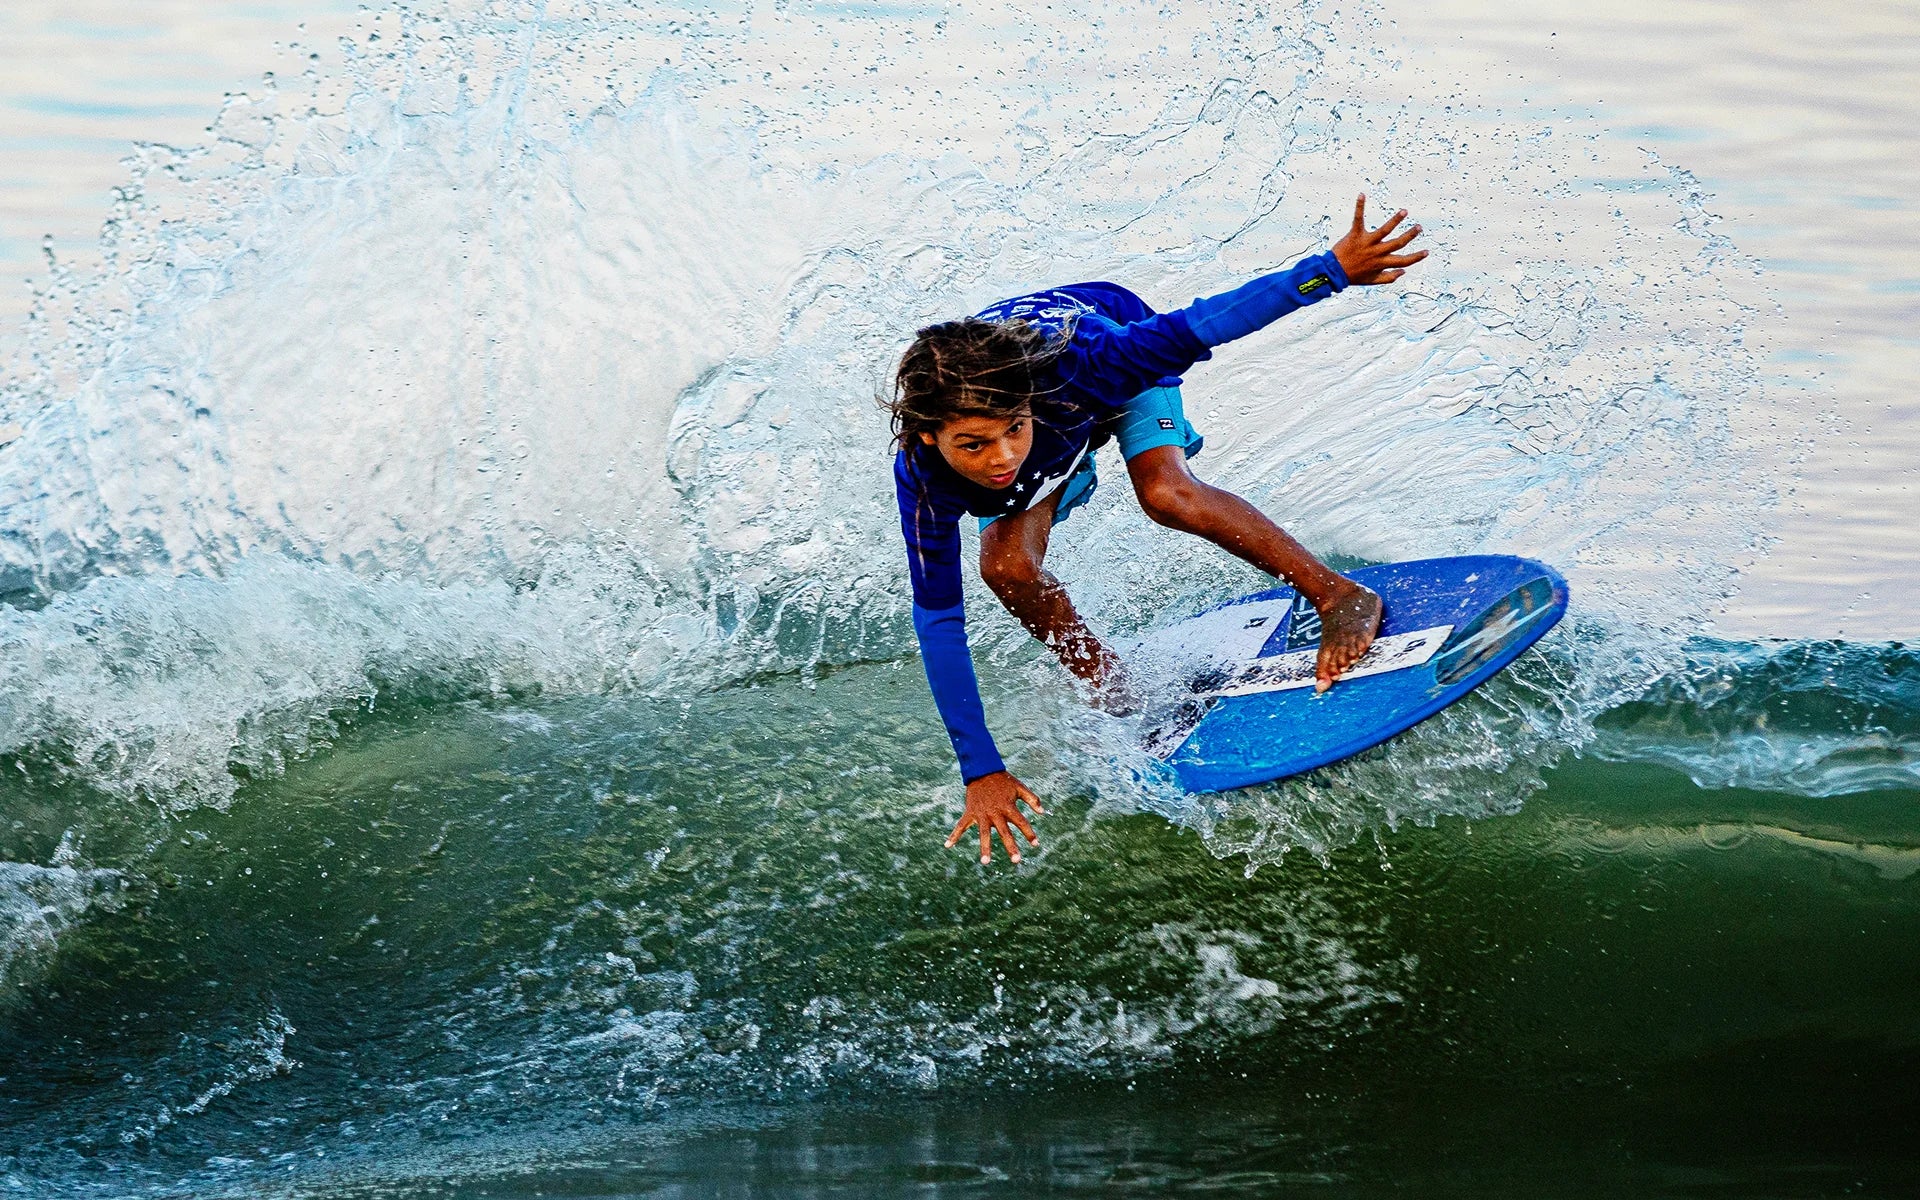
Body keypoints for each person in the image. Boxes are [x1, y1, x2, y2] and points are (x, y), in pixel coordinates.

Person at [890, 195, 1427, 865]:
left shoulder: (1096, 360)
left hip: (1101, 355)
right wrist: (981, 769)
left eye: (1012, 433)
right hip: (1048, 417)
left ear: (1027, 406)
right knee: (1005, 567)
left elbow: (1203, 322)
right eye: (973, 446)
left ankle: (1337, 595)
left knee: (1167, 494)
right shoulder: (923, 480)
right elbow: (939, 623)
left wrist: (1332, 269)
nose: (1000, 458)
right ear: (927, 437)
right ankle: (1109, 682)